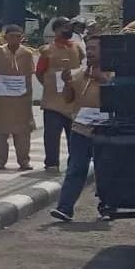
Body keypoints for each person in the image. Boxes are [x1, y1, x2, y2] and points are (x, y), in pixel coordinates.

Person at [51, 35, 112, 222]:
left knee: (105, 169)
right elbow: (68, 99)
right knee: (76, 168)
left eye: (95, 48)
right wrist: (67, 83)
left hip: (105, 129)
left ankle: (108, 206)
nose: (91, 52)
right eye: (89, 48)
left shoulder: (114, 74)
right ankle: (65, 208)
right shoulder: (78, 74)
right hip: (80, 129)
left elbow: (121, 96)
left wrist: (102, 79)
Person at [0, 24, 39, 170]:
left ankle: (24, 161)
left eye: (18, 36)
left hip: (21, 99)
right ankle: (0, 160)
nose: (15, 39)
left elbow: (30, 75)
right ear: (6, 37)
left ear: (22, 37)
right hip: (1, 98)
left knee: (22, 131)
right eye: (11, 36)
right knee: (1, 131)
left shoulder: (27, 53)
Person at [37, 16, 84, 171]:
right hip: (53, 101)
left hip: (73, 100)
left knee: (75, 136)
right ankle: (51, 164)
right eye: (65, 27)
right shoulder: (47, 50)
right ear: (56, 30)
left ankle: (75, 164)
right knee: (51, 135)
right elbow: (39, 72)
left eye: (70, 27)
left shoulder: (77, 47)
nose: (69, 30)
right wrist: (50, 85)